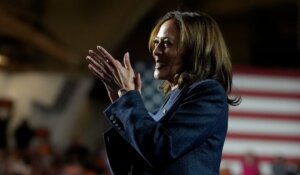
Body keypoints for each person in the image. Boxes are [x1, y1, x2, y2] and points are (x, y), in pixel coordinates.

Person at [86, 11, 240, 175]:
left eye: (166, 43)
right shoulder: (173, 100)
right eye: (156, 42)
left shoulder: (208, 93)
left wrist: (129, 100)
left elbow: (160, 149)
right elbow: (129, 166)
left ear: (194, 49)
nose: (156, 51)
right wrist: (121, 101)